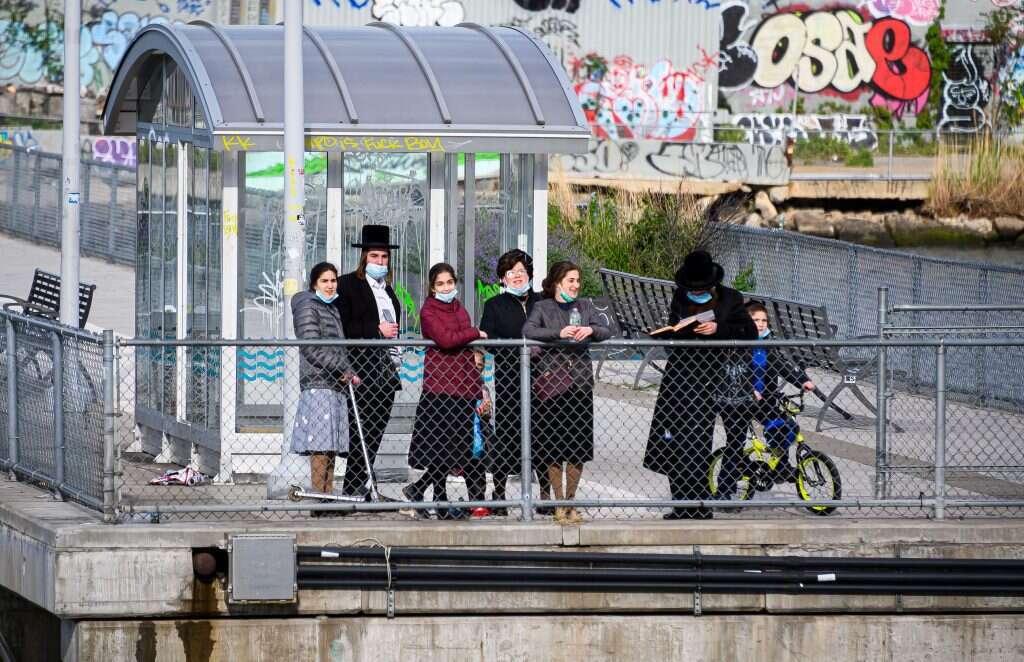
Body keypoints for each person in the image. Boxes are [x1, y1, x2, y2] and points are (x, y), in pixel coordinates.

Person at [642, 250, 757, 520]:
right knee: (673, 441)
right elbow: (674, 325)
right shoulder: (680, 297)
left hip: (711, 379)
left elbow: (749, 332)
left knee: (697, 443)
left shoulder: (731, 299)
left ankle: (699, 506)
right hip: (680, 377)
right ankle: (680, 505)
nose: (696, 292)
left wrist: (719, 329)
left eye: (702, 288)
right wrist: (673, 331)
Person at [523, 260, 611, 524]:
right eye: (571, 280)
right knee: (553, 445)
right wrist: (558, 333)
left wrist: (591, 330)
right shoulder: (543, 306)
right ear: (558, 282)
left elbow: (608, 329)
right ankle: (558, 502)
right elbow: (528, 330)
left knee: (577, 446)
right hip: (553, 386)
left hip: (580, 384)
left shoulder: (584, 306)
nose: (576, 285)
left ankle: (570, 502)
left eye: (578, 281)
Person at [404, 263, 490, 519]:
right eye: (440, 284)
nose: (446, 288)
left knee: (457, 448)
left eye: (449, 283)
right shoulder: (429, 310)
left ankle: (425, 492)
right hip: (441, 386)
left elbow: (457, 336)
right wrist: (474, 332)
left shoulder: (458, 307)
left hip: (464, 385)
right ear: (432, 287)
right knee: (441, 447)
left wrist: (466, 335)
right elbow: (446, 339)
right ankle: (431, 495)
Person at [715, 302, 816, 496]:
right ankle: (724, 491)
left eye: (764, 320)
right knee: (735, 443)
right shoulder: (738, 342)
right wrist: (748, 389)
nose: (761, 324)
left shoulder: (767, 343)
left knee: (783, 425)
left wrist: (802, 380)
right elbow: (732, 370)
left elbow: (781, 364)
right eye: (755, 320)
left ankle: (780, 468)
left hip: (764, 402)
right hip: (738, 402)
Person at [334, 224, 403, 501]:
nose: (380, 262)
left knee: (376, 430)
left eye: (384, 257)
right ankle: (352, 486)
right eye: (375, 257)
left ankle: (363, 484)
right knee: (360, 429)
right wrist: (376, 330)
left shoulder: (389, 291)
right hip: (363, 368)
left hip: (386, 370)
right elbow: (345, 325)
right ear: (364, 258)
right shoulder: (349, 284)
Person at [479, 249, 549, 516]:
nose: (517, 277)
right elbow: (489, 340)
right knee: (506, 436)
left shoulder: (541, 302)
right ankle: (498, 494)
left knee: (542, 436)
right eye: (511, 273)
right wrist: (516, 351)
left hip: (542, 380)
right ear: (503, 278)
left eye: (521, 271)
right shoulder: (494, 305)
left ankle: (544, 495)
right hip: (509, 380)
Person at [290, 262, 360, 517]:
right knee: (320, 445)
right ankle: (318, 499)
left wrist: (346, 369)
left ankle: (327, 496)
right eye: (325, 281)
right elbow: (311, 346)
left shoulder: (330, 308)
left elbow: (337, 347)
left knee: (330, 444)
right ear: (314, 284)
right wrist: (342, 368)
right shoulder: (309, 307)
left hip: (334, 383)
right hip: (318, 382)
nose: (330, 285)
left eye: (333, 281)